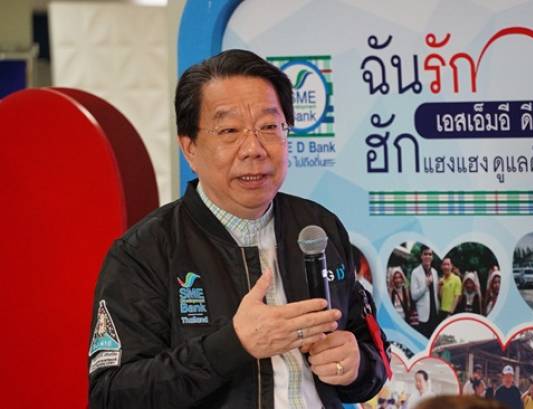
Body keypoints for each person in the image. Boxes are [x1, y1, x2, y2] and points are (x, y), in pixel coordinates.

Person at [87, 49, 389, 408]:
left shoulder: (318, 227)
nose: (254, 149)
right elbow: (112, 395)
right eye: (230, 131)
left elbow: (375, 355)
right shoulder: (145, 251)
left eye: (269, 127)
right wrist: (232, 345)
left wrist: (357, 365)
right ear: (189, 148)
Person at [410, 246, 440, 337]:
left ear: (432, 257)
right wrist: (425, 285)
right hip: (422, 316)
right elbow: (414, 296)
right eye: (425, 254)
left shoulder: (434, 272)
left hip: (434, 314)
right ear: (421, 256)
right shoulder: (415, 272)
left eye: (430, 254)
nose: (427, 256)